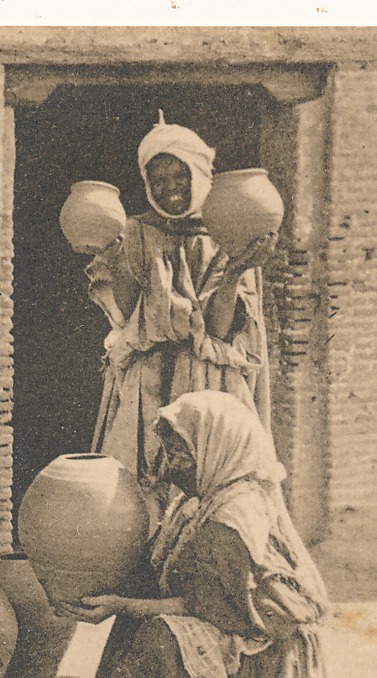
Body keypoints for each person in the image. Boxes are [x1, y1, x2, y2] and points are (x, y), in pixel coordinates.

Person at [59, 390, 331, 678]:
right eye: (171, 455)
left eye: (182, 456)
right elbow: (166, 573)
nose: (171, 467)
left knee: (161, 633)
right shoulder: (201, 500)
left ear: (217, 450)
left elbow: (209, 607)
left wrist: (121, 605)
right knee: (141, 614)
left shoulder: (234, 518)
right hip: (231, 617)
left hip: (262, 654)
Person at [84, 114, 277, 485]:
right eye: (158, 180)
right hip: (147, 380)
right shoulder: (136, 232)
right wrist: (114, 261)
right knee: (134, 492)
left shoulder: (230, 231)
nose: (169, 188)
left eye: (180, 177)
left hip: (207, 381)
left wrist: (235, 272)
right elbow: (127, 316)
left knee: (206, 478)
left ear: (199, 175)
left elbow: (219, 333)